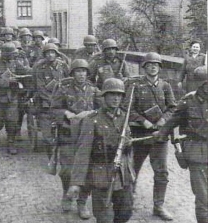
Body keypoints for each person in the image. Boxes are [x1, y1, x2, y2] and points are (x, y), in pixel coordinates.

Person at [68, 78, 135, 223]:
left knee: (125, 213)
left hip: (122, 174)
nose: (116, 98)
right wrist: (76, 182)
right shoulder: (92, 120)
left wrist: (128, 145)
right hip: (101, 175)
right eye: (111, 94)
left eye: (119, 95)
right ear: (104, 96)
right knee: (103, 217)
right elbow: (83, 153)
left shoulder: (124, 117)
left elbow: (128, 149)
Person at [153, 66, 208, 223]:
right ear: (202, 84)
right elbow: (172, 122)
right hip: (198, 153)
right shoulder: (188, 102)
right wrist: (161, 133)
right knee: (204, 198)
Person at [127, 52, 176, 221]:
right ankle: (128, 201)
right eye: (149, 64)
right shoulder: (135, 86)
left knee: (161, 172)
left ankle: (159, 206)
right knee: (132, 169)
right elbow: (129, 110)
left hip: (159, 136)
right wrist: (143, 121)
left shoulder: (165, 86)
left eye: (156, 64)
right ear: (144, 67)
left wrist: (163, 120)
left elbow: (173, 108)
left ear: (159, 67)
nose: (153, 66)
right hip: (140, 135)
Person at [51, 59, 101, 219]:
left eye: (84, 71)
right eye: (78, 71)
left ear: (87, 73)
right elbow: (54, 109)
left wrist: (92, 113)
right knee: (66, 170)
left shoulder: (94, 90)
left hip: (88, 136)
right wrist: (66, 114)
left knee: (87, 170)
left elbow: (103, 109)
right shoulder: (64, 89)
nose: (81, 74)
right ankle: (67, 194)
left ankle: (82, 202)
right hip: (68, 135)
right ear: (72, 73)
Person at [0, 42, 32, 154]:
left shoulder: (15, 63)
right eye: (12, 54)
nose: (13, 56)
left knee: (12, 121)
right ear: (5, 54)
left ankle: (11, 143)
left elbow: (26, 71)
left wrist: (36, 70)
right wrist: (7, 82)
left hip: (12, 97)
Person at [34, 43, 69, 158]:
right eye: (47, 53)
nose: (50, 55)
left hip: (63, 102)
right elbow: (41, 88)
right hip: (46, 103)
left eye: (52, 52)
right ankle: (51, 156)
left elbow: (69, 81)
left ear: (56, 54)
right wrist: (52, 101)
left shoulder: (63, 66)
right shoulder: (40, 68)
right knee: (47, 136)